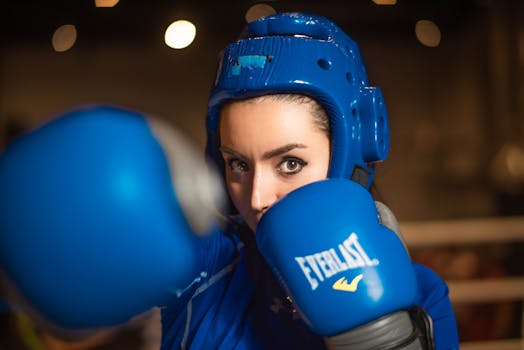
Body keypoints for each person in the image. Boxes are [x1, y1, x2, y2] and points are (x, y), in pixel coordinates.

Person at [0, 13, 459, 350]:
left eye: (290, 164)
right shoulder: (203, 263)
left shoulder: (419, 297)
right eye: (237, 164)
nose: (256, 198)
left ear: (348, 157)